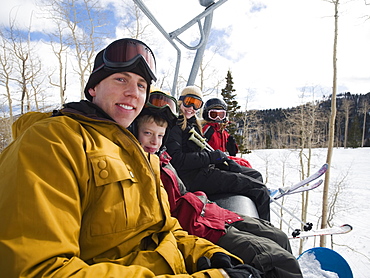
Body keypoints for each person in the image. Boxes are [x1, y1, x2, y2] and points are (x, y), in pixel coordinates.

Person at [0, 38, 259, 278]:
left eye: (141, 85)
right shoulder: (54, 141)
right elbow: (39, 269)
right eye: (121, 80)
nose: (134, 93)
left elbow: (165, 229)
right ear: (93, 88)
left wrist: (207, 255)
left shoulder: (140, 153)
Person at [133, 91, 303, 278]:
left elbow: (181, 191)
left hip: (205, 210)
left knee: (280, 237)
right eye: (148, 133)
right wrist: (211, 158)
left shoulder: (162, 158)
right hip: (197, 217)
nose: (154, 141)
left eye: (159, 135)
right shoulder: (145, 165)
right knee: (281, 260)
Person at [165, 86, 271, 221]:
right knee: (259, 189)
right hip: (193, 178)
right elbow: (177, 160)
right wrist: (211, 157)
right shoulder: (176, 125)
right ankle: (264, 229)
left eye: (196, 104)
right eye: (188, 101)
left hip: (203, 170)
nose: (191, 107)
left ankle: (257, 215)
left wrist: (224, 161)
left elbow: (203, 150)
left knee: (255, 175)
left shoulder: (192, 124)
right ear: (180, 101)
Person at [202, 97, 252, 168]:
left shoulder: (223, 131)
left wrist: (233, 147)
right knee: (243, 165)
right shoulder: (207, 129)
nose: (218, 118)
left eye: (221, 115)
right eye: (213, 115)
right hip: (212, 161)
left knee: (245, 163)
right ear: (207, 115)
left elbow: (232, 151)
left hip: (221, 159)